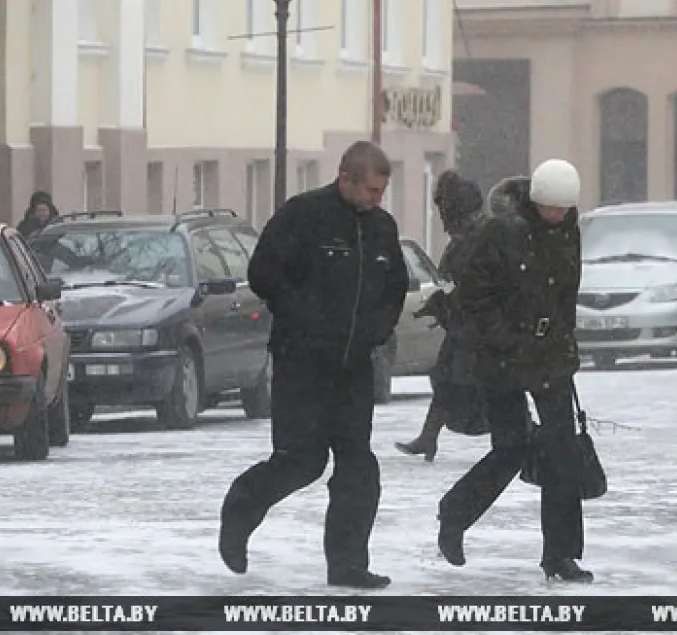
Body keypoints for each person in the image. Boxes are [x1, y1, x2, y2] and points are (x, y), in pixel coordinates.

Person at [217, 141, 410, 589]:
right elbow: (264, 273)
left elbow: (395, 286)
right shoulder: (303, 215)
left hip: (354, 367)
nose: (377, 199)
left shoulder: (381, 227)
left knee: (358, 466)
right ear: (346, 178)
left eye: (382, 192)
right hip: (302, 362)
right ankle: (241, 508)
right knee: (301, 461)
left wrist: (377, 330)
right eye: (371, 190)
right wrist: (305, 318)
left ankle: (348, 565)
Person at [435, 159, 592, 583]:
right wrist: (505, 338)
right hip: (502, 357)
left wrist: (564, 344)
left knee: (562, 453)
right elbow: (474, 296)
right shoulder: (500, 231)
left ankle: (561, 556)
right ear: (535, 200)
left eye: (565, 209)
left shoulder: (567, 230)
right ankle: (455, 514)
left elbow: (566, 294)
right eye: (551, 209)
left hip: (550, 354)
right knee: (511, 448)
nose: (558, 216)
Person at [395, 170, 490, 461]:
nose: (446, 226)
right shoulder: (462, 243)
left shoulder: (484, 240)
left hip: (483, 331)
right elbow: (450, 283)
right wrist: (441, 303)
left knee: (493, 387)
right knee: (447, 379)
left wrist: (452, 302)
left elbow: (477, 286)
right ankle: (429, 436)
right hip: (464, 330)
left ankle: (526, 435)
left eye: (448, 217)